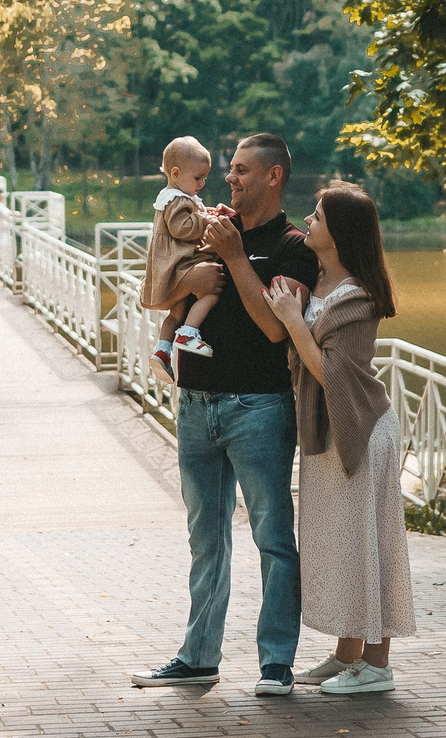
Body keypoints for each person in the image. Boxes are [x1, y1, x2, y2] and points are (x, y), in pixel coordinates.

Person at [129, 133, 318, 697]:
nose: (228, 179)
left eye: (239, 170)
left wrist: (235, 258)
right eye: (227, 169)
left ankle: (276, 662)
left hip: (258, 407)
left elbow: (274, 328)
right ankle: (198, 657)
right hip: (195, 403)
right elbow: (157, 289)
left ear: (273, 176)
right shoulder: (206, 223)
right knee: (205, 538)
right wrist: (187, 279)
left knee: (273, 536)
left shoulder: (293, 246)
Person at [266, 183, 415, 695]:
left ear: (340, 233)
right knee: (346, 542)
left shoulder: (358, 296)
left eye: (319, 217)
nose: (309, 220)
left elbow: (332, 374)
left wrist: (290, 321)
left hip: (360, 428)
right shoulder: (323, 282)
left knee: (368, 544)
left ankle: (377, 665)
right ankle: (347, 654)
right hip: (331, 428)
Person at [141, 136, 227, 372]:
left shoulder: (178, 196)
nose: (202, 183)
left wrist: (201, 211)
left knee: (176, 311)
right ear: (176, 174)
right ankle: (188, 333)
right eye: (198, 178)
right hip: (180, 263)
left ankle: (162, 350)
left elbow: (186, 219)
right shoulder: (175, 199)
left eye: (205, 178)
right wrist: (205, 219)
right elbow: (183, 228)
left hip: (174, 265)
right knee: (212, 290)